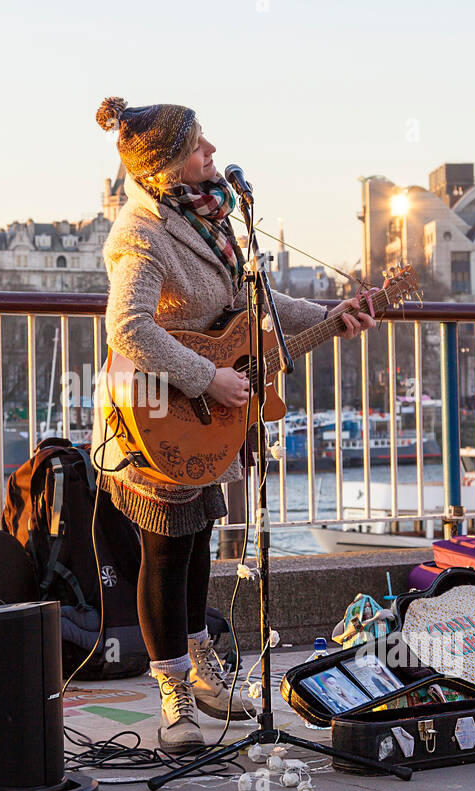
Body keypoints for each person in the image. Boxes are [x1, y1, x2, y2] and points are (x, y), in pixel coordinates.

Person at [92, 96, 376, 752]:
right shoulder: (141, 231)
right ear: (165, 167)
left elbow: (250, 305)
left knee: (194, 549)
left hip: (202, 421)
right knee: (164, 557)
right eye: (198, 146)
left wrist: (335, 313)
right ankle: (172, 704)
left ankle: (202, 676)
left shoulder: (207, 219)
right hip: (154, 417)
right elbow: (126, 328)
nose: (212, 152)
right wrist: (208, 378)